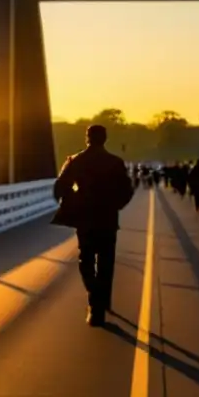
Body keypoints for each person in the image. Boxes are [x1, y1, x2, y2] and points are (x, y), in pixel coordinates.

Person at [52, 124, 134, 327]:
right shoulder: (115, 162)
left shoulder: (76, 160)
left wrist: (74, 201)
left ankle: (94, 299)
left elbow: (60, 187)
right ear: (105, 139)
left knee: (86, 259)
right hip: (107, 217)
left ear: (87, 138)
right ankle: (102, 301)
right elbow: (127, 190)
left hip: (85, 217)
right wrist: (115, 205)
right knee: (106, 262)